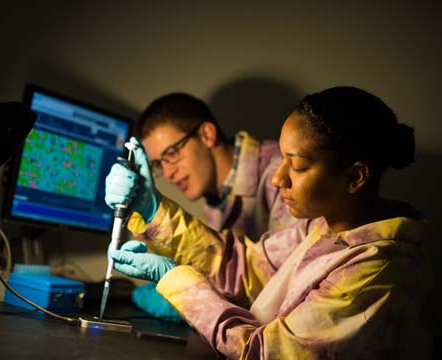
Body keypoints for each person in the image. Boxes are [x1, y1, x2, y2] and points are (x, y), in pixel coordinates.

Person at [106, 86, 432, 358]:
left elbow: (264, 352)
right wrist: (153, 212)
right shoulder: (321, 226)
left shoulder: (374, 267)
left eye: (298, 166)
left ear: (355, 177)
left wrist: (176, 280)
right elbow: (247, 267)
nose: (277, 178)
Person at [108, 93, 298, 321]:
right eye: (159, 164)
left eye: (172, 153)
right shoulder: (216, 200)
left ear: (207, 134)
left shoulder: (283, 174)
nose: (167, 174)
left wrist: (187, 295)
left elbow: (283, 290)